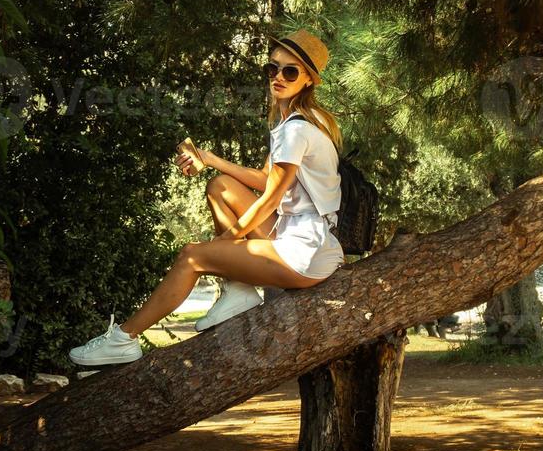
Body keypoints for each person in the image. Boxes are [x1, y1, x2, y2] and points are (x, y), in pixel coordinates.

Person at [68, 28, 346, 366]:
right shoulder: (300, 121)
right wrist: (209, 157)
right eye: (272, 68)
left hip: (304, 251)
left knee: (192, 256)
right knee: (219, 186)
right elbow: (264, 179)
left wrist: (229, 240)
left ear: (308, 81)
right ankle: (239, 289)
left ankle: (124, 339)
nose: (278, 77)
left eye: (290, 71)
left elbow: (271, 199)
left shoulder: (296, 129)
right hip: (304, 235)